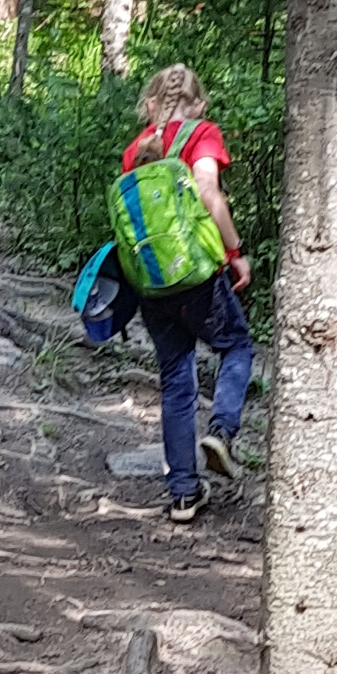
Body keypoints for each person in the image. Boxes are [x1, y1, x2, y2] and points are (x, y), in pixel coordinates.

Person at [102, 63, 255, 528]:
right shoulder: (202, 134)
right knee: (237, 346)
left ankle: (184, 495)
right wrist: (235, 252)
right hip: (197, 274)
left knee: (175, 379)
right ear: (199, 105)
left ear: (150, 106)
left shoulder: (138, 149)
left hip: (151, 282)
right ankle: (222, 433)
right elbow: (209, 192)